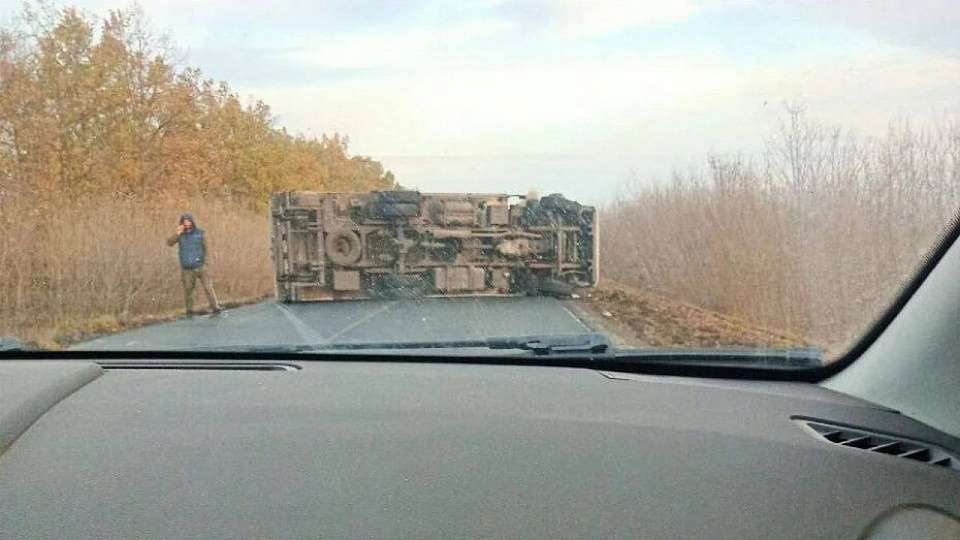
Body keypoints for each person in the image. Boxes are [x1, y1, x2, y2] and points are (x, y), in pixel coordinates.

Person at [166, 212, 222, 317]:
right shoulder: (180, 235)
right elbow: (169, 243)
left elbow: (207, 249)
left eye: (188, 221)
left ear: (192, 222)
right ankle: (189, 311)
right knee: (188, 290)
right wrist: (177, 233)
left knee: (208, 288)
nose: (187, 223)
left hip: (201, 267)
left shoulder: (200, 233)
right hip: (187, 268)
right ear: (182, 223)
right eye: (184, 221)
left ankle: (215, 307)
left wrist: (206, 264)